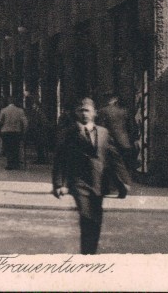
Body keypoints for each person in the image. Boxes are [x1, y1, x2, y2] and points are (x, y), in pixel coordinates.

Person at [53, 97, 130, 255]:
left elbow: (115, 158)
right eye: (80, 110)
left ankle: (90, 253)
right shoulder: (68, 133)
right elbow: (60, 159)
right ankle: (87, 255)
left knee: (96, 219)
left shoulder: (103, 133)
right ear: (76, 113)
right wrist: (59, 183)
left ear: (94, 113)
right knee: (86, 216)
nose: (84, 114)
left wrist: (125, 180)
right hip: (79, 182)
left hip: (99, 182)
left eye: (87, 110)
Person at [98, 95, 135, 172]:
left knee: (111, 167)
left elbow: (101, 127)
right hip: (125, 142)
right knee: (124, 166)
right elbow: (131, 127)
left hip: (111, 142)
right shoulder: (124, 111)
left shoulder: (104, 111)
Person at [0, 97, 28, 170]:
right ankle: (16, 163)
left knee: (8, 148)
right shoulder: (20, 111)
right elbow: (25, 122)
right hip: (16, 132)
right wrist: (24, 131)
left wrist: (3, 124)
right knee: (16, 148)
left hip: (6, 132)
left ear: (8, 102)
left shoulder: (4, 110)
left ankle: (9, 164)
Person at [25, 97, 49, 164]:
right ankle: (40, 158)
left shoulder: (40, 112)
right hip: (37, 132)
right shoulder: (36, 112)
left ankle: (41, 159)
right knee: (38, 146)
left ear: (36, 105)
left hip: (40, 132)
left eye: (34, 105)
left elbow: (43, 121)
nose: (33, 106)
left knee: (40, 145)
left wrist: (37, 125)